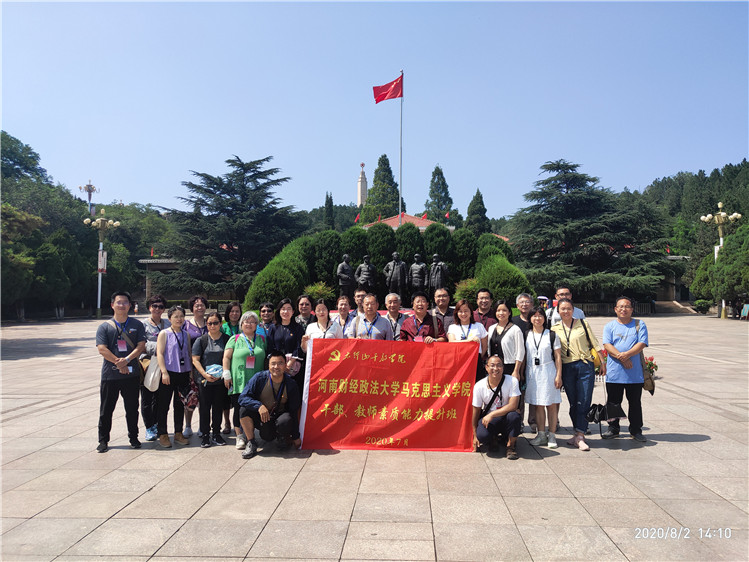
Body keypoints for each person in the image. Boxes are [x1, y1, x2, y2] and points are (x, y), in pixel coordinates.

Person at [551, 298, 606, 451]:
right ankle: (577, 432)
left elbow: (594, 343)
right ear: (558, 311)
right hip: (567, 367)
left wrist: (602, 362)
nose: (566, 311)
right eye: (563, 309)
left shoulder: (582, 323)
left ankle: (581, 435)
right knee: (573, 402)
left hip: (585, 365)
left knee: (584, 400)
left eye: (569, 308)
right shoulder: (554, 329)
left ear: (573, 310)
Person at [95, 291, 146, 453]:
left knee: (132, 408)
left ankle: (134, 438)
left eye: (125, 302)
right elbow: (102, 349)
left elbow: (141, 346)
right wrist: (119, 362)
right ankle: (103, 440)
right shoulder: (104, 327)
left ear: (130, 305)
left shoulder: (137, 325)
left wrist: (127, 360)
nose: (122, 305)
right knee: (106, 409)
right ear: (112, 305)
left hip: (131, 374)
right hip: (110, 375)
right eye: (118, 302)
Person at [237, 350, 302, 459]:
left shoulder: (291, 384)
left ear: (285, 365)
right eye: (273, 363)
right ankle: (251, 442)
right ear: (268, 365)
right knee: (244, 410)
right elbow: (242, 397)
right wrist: (259, 406)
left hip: (279, 416)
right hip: (263, 417)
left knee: (287, 419)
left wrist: (296, 436)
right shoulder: (259, 378)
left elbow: (294, 410)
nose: (276, 367)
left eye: (280, 363)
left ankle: (282, 437)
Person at [602, 296, 649, 442]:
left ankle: (636, 430)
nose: (624, 309)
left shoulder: (639, 324)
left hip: (634, 374)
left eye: (627, 306)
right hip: (615, 372)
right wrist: (622, 358)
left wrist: (627, 355)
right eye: (620, 306)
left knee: (635, 403)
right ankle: (613, 428)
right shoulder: (609, 326)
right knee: (613, 402)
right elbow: (607, 345)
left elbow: (642, 343)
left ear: (632, 309)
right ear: (615, 309)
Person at [223, 311, 267, 451]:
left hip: (257, 381)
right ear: (241, 324)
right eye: (246, 321)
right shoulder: (235, 339)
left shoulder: (262, 339)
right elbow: (226, 357)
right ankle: (240, 435)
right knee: (238, 408)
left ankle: (250, 435)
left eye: (252, 322)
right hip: (239, 380)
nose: (249, 324)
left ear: (257, 325)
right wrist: (226, 373)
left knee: (253, 407)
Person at [155, 305, 193, 448]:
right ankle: (163, 434)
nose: (179, 319)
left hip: (183, 373)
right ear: (169, 318)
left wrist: (190, 372)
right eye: (176, 316)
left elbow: (188, 352)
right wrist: (164, 371)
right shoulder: (164, 333)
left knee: (180, 404)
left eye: (181, 316)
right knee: (163, 405)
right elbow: (160, 353)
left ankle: (178, 432)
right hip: (169, 373)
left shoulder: (185, 334)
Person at [525, 307, 562, 449]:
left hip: (548, 371)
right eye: (534, 316)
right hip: (532, 372)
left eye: (540, 315)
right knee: (538, 404)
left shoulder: (551, 335)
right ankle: (541, 434)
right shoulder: (526, 334)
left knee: (551, 404)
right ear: (530, 318)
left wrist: (558, 375)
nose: (537, 318)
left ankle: (552, 435)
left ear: (544, 318)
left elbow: (557, 357)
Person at [192, 311, 230, 448]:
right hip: (205, 381)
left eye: (215, 323)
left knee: (218, 407)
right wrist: (204, 374)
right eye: (209, 323)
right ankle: (205, 435)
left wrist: (225, 374)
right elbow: (195, 360)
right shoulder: (201, 340)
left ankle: (216, 433)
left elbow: (229, 358)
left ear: (220, 324)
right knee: (204, 408)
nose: (212, 326)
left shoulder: (227, 339)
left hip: (220, 380)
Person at [471, 356, 522, 459]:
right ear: (486, 367)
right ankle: (493, 439)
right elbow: (476, 410)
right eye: (492, 365)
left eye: (499, 365)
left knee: (514, 416)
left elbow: (513, 405)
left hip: (506, 416)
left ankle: (511, 446)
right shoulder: (479, 386)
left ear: (503, 368)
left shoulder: (512, 381)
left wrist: (492, 414)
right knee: (482, 435)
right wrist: (475, 435)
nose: (495, 368)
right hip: (491, 421)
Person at [139, 294, 169, 442]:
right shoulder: (143, 325)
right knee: (147, 397)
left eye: (161, 307)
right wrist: (160, 347)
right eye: (154, 306)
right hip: (148, 364)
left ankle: (157, 424)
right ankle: (149, 426)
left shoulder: (168, 323)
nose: (157, 309)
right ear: (150, 307)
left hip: (164, 365)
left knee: (160, 398)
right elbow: (141, 344)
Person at [182, 295, 208, 438]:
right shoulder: (186, 325)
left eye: (202, 305)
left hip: (207, 366)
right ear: (191, 308)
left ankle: (202, 425)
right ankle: (188, 425)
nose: (199, 307)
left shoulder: (210, 323)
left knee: (204, 398)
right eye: (196, 305)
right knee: (190, 396)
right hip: (190, 366)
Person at [267, 298, 305, 388]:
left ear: (293, 312)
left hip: (292, 367)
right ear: (279, 311)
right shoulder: (273, 327)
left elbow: (299, 347)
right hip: (276, 366)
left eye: (288, 309)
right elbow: (270, 346)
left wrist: (289, 364)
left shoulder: (298, 328)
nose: (285, 312)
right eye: (283, 309)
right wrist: (279, 363)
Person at [447, 299, 488, 380]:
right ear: (456, 313)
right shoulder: (452, 327)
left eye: (466, 311)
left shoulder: (479, 326)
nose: (463, 314)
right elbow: (452, 343)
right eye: (460, 311)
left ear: (471, 312)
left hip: (476, 361)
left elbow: (484, 346)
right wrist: (469, 340)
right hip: (459, 361)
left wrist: (478, 356)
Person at [487, 300, 525, 382]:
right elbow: (489, 349)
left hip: (509, 367)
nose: (501, 313)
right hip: (494, 368)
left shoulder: (515, 329)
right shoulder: (491, 328)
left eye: (504, 310)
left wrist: (516, 371)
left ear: (509, 312)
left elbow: (520, 352)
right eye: (498, 310)